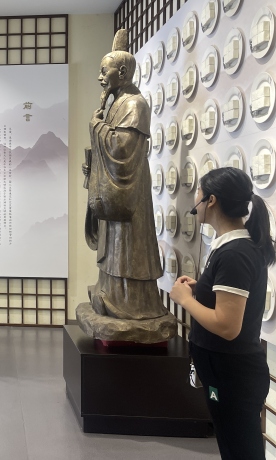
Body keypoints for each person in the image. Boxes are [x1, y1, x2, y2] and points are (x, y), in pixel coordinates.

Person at [170, 167, 275, 460]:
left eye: (199, 193)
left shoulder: (234, 254)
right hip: (226, 370)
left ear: (211, 200)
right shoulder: (231, 248)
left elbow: (228, 326)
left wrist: (185, 300)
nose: (196, 199)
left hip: (231, 373)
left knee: (240, 450)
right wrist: (202, 288)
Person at [81, 31, 164, 321]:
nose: (100, 77)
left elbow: (123, 148)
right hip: (114, 188)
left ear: (123, 72)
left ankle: (130, 303)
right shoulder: (116, 102)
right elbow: (111, 146)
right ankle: (110, 292)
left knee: (128, 247)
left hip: (129, 191)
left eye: (104, 71)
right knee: (113, 243)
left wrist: (96, 127)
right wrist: (94, 165)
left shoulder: (134, 104)